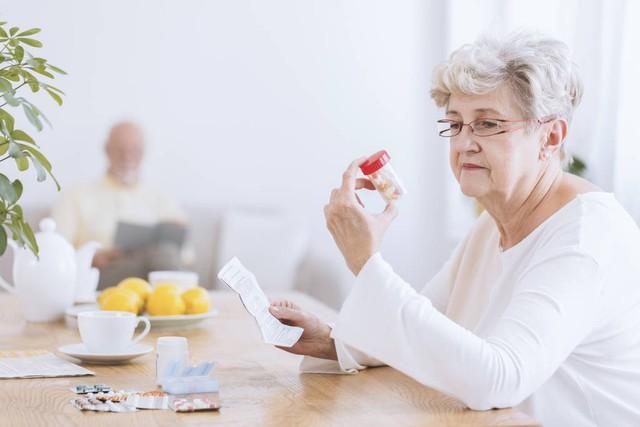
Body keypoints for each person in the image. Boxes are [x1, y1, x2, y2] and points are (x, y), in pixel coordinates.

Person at [268, 32, 640, 426]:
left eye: (487, 124)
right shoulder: (493, 222)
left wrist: (365, 260)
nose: (464, 143)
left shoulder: (585, 236)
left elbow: (498, 380)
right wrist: (331, 342)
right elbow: (432, 327)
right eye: (456, 124)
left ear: (550, 137)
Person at [52, 121, 188, 288]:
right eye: (120, 150)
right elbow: (55, 252)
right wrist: (93, 257)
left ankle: (167, 300)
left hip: (154, 274)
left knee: (164, 253)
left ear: (144, 153)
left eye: (135, 151)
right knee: (163, 258)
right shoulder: (76, 195)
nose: (127, 157)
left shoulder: (161, 199)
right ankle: (177, 304)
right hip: (101, 275)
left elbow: (186, 256)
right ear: (107, 150)